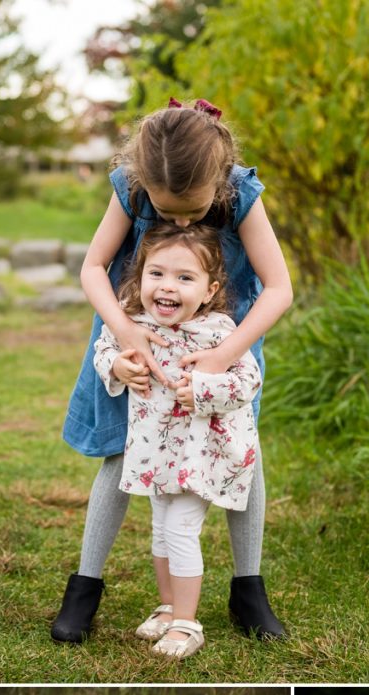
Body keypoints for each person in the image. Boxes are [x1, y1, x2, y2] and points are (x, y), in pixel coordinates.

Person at [53, 96, 293, 645]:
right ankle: (84, 587)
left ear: (218, 182)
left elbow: (279, 288)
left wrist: (226, 354)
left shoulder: (241, 194)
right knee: (120, 447)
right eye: (167, 213)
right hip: (135, 334)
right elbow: (93, 267)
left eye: (192, 210)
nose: (180, 221)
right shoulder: (131, 186)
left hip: (221, 345)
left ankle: (248, 589)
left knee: (241, 450)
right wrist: (126, 332)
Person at [93, 222, 261, 658]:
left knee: (182, 530)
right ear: (140, 276)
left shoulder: (220, 332)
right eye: (157, 274)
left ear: (209, 290)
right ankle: (169, 608)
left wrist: (204, 390)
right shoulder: (135, 322)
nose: (168, 288)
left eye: (185, 278)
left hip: (202, 454)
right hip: (155, 452)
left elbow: (248, 380)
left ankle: (187, 624)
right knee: (161, 532)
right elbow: (105, 349)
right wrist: (117, 368)